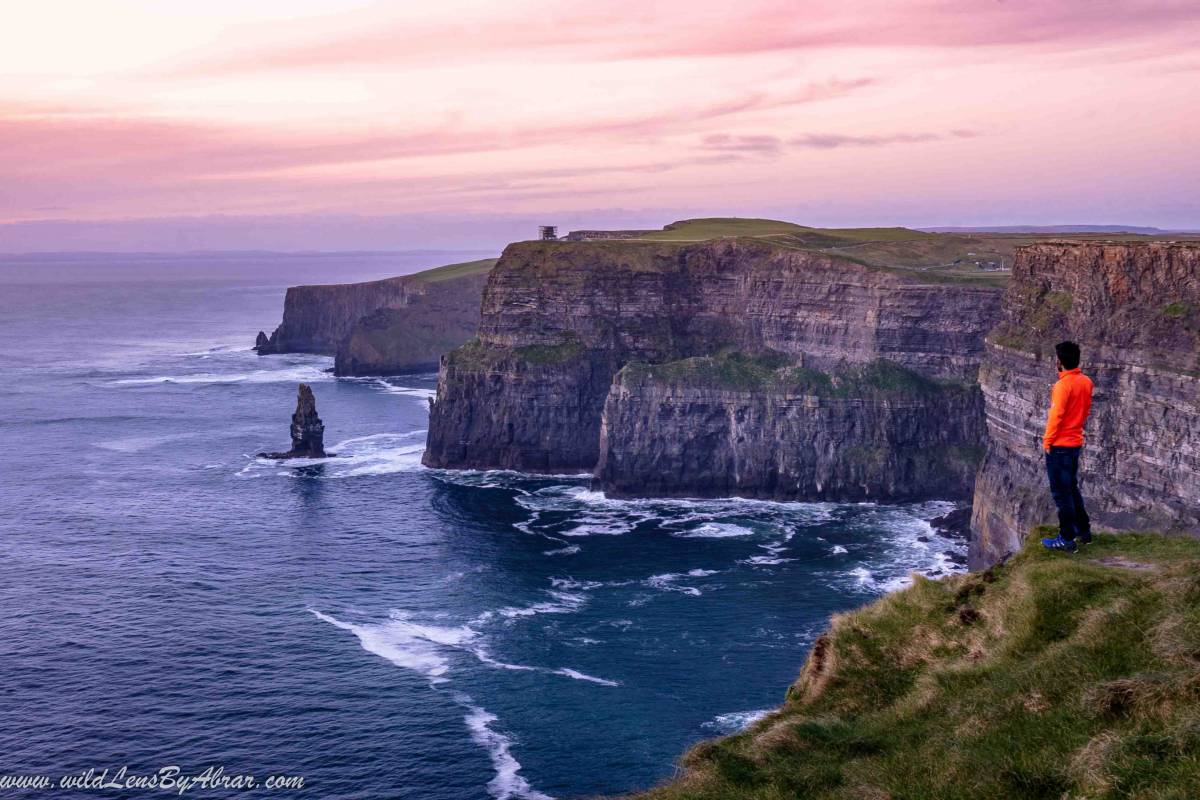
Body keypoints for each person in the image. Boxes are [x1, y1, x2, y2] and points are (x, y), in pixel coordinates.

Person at [1041, 341, 1094, 553]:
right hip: (1075, 443)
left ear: (1060, 362)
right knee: (1072, 488)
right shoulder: (1086, 382)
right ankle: (1084, 531)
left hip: (1060, 446)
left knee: (1062, 494)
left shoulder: (1062, 386)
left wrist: (1048, 441)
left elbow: (1056, 416)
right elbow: (1085, 410)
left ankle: (1066, 539)